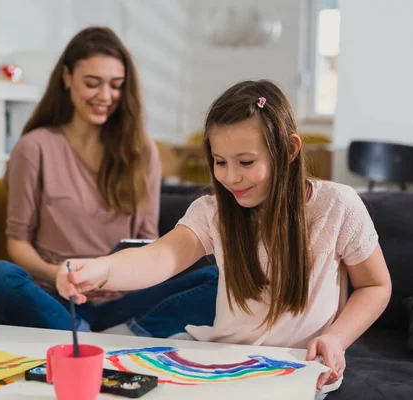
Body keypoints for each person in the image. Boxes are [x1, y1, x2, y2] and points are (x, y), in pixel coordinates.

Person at [56, 80, 392, 398]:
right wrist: (100, 269)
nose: (231, 177)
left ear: (288, 149)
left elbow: (375, 286)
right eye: (219, 162)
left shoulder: (338, 205)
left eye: (246, 162)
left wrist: (336, 338)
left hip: (300, 371)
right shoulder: (213, 210)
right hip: (221, 361)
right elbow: (159, 258)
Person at [0, 27, 218, 337]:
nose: (105, 96)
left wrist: (113, 276)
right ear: (66, 77)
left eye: (116, 85)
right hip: (58, 297)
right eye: (92, 83)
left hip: (125, 298)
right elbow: (18, 243)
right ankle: (94, 336)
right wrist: (62, 275)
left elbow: (147, 242)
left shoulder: (141, 152)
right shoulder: (35, 147)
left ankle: (104, 336)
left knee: (221, 278)